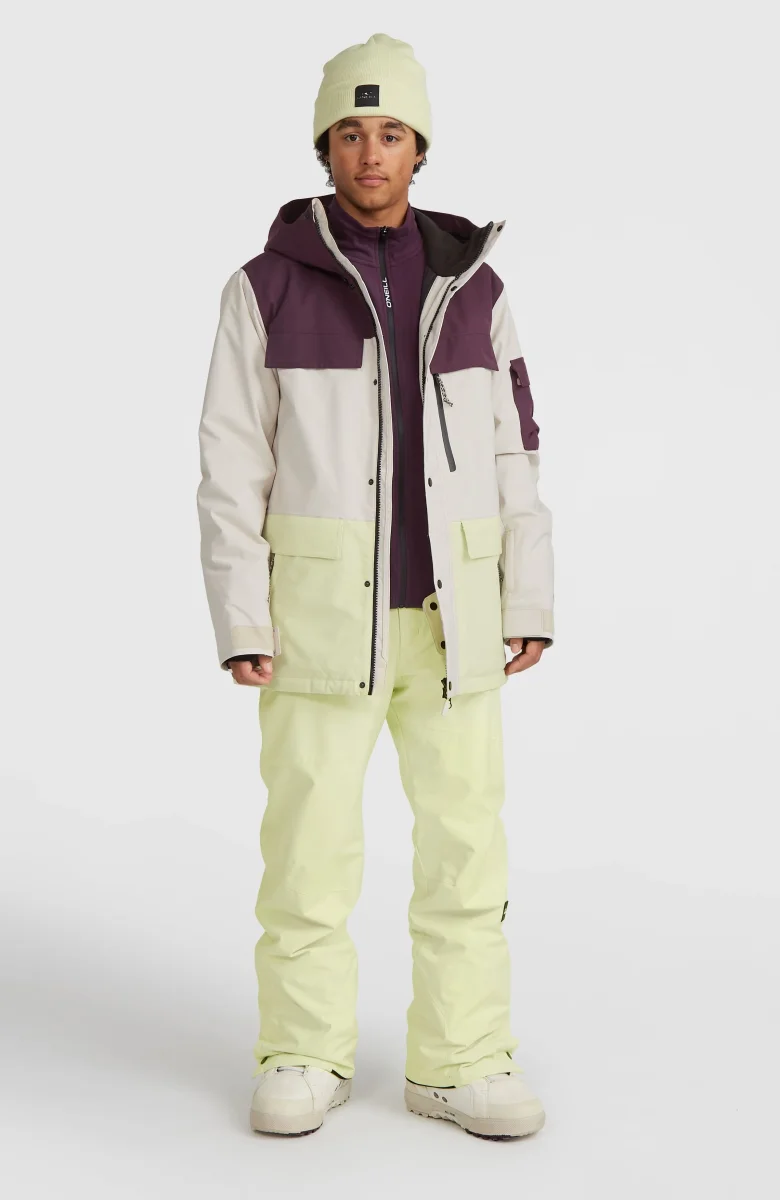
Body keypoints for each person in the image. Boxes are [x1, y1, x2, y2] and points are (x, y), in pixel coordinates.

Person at [196, 31, 554, 1141]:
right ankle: (304, 1052)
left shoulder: (476, 288)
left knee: (467, 852)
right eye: (349, 133)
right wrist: (241, 617)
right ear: (325, 146)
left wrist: (529, 599)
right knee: (308, 854)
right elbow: (229, 466)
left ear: (420, 147)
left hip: (457, 622)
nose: (369, 152)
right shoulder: (265, 289)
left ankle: (462, 1060)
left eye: (390, 132)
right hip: (316, 625)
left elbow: (515, 452)